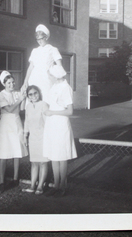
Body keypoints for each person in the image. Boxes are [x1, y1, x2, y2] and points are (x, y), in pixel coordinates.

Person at [43, 65, 77, 197]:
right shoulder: (54, 87)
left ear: (56, 76)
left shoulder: (66, 88)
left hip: (61, 124)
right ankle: (56, 185)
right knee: (53, 155)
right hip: (51, 123)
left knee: (61, 156)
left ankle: (63, 186)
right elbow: (49, 103)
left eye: (50, 75)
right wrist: (47, 109)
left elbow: (70, 111)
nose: (49, 77)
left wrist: (51, 112)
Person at [0, 71, 28, 192]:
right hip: (6, 124)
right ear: (4, 84)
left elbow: (21, 108)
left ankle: (15, 179)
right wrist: (19, 100)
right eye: (9, 83)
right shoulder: (0, 95)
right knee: (4, 152)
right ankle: (1, 181)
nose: (12, 84)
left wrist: (23, 95)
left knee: (16, 151)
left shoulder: (17, 93)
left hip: (16, 122)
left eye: (13, 82)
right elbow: (10, 109)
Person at [21, 24, 62, 103]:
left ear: (46, 37)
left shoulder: (53, 49)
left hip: (46, 80)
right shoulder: (34, 51)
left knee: (45, 101)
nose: (39, 41)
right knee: (33, 103)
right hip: (34, 79)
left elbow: (59, 67)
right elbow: (30, 67)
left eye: (41, 38)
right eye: (37, 39)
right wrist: (25, 81)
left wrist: (59, 82)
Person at [22, 85, 49, 195]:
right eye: (31, 94)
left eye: (35, 93)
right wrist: (25, 135)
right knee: (34, 163)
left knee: (43, 163)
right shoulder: (28, 107)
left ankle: (40, 186)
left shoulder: (44, 105)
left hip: (43, 137)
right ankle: (32, 186)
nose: (33, 96)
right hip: (32, 138)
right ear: (28, 96)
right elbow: (26, 122)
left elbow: (48, 123)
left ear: (39, 93)